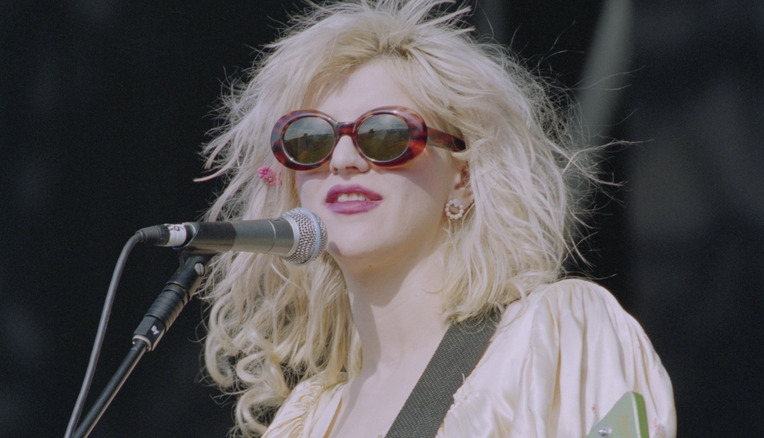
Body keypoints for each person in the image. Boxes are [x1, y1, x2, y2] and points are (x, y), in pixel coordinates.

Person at [197, 0, 676, 436]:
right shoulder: (307, 422)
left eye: (385, 135)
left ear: (464, 178)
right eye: (311, 140)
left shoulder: (552, 338)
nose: (342, 159)